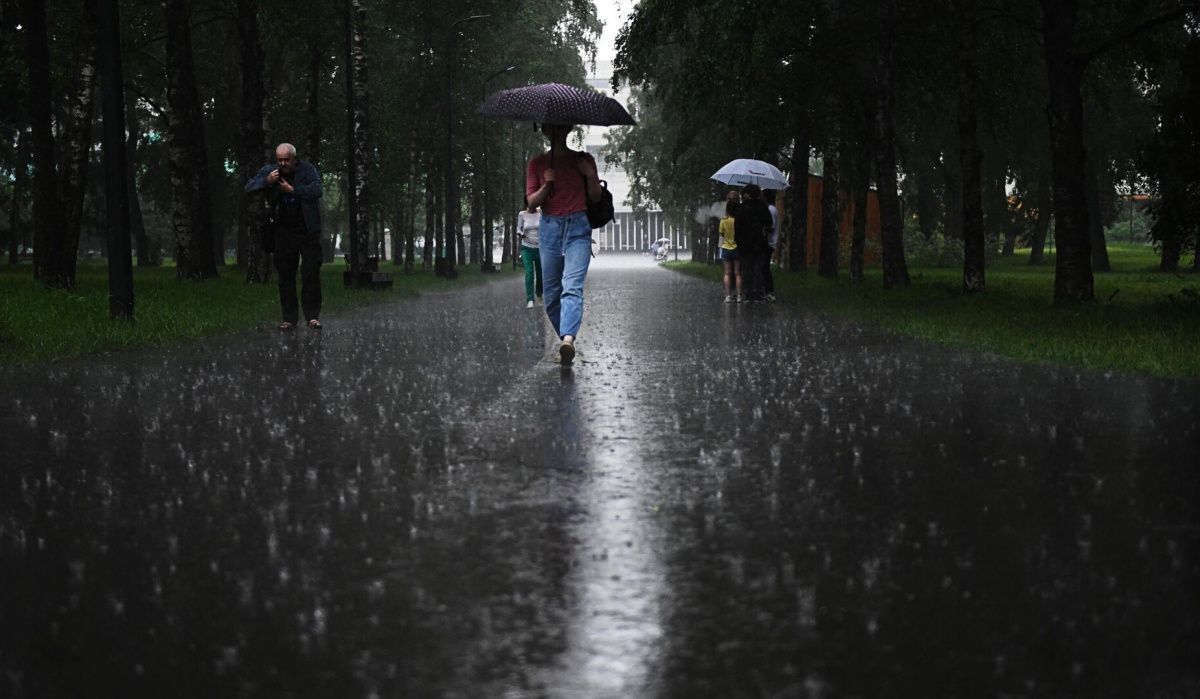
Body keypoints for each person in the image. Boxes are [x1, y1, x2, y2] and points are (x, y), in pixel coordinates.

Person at [526, 123, 602, 365]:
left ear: (568, 130)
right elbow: (531, 204)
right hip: (549, 230)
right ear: (547, 132)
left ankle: (567, 339)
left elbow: (595, 197)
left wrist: (589, 175)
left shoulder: (584, 159)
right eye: (552, 128)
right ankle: (566, 342)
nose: (557, 132)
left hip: (578, 228)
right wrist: (547, 184)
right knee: (551, 297)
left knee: (572, 286)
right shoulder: (537, 164)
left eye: (562, 128)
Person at [245, 143, 324, 331]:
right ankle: (289, 319)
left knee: (310, 273)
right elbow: (249, 187)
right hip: (283, 231)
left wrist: (293, 190)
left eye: (286, 160)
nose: (282, 164)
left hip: (308, 230)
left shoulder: (307, 170)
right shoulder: (270, 171)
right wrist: (267, 181)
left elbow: (317, 190)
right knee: (285, 275)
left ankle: (312, 317)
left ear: (294, 158)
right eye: (279, 160)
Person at [734, 183, 772, 301]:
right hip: (760, 242)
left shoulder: (742, 208)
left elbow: (737, 226)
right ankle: (758, 292)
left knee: (746, 268)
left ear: (747, 194)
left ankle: (747, 292)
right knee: (758, 267)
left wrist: (738, 240)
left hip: (745, 243)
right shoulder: (763, 207)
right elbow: (769, 222)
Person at [517, 197, 543, 309]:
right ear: (527, 204)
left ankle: (539, 294)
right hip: (526, 248)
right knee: (529, 273)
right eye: (530, 203)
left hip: (540, 248)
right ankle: (530, 299)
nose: (533, 205)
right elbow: (518, 228)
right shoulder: (522, 214)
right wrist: (521, 233)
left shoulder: (541, 212)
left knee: (540, 274)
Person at [718, 200, 741, 302]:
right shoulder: (739, 220)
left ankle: (728, 296)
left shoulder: (723, 220)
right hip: (737, 249)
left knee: (727, 273)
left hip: (726, 248)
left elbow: (721, 235)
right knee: (737, 273)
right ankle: (739, 296)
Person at [763, 189, 779, 302]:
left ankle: (769, 291)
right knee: (764, 267)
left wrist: (762, 228)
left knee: (765, 267)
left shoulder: (770, 210)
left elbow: (771, 226)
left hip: (769, 242)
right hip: (770, 242)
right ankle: (767, 290)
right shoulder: (772, 209)